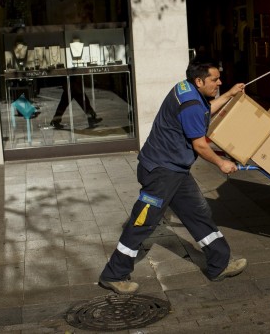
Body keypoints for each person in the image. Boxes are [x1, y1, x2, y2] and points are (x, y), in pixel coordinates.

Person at [98, 58, 247, 294]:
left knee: (198, 213)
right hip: (161, 172)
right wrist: (222, 163)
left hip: (174, 170)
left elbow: (205, 110)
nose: (219, 82)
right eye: (215, 80)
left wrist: (229, 94)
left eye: (220, 79)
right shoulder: (192, 107)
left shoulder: (184, 88)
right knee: (142, 222)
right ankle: (113, 274)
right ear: (199, 81)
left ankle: (219, 265)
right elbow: (200, 145)